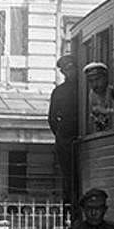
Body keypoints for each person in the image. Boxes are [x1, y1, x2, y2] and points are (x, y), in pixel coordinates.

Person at [48, 54, 79, 207]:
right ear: (63, 72)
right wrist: (62, 135)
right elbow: (52, 119)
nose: (70, 73)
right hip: (66, 139)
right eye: (66, 70)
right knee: (69, 177)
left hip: (81, 134)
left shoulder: (84, 87)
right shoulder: (59, 92)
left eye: (72, 68)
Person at [84, 61, 114, 133]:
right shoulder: (91, 95)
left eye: (97, 79)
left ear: (105, 78)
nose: (94, 84)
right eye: (91, 81)